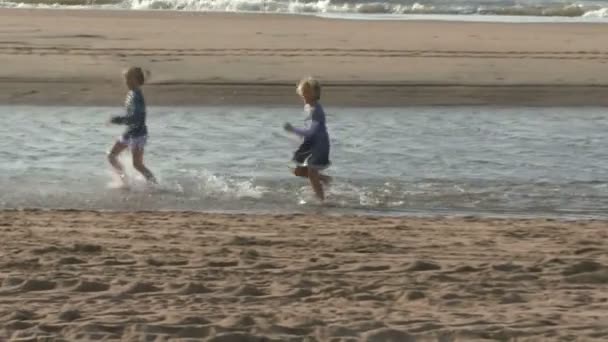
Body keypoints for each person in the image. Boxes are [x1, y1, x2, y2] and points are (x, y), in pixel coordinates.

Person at [284, 76, 331, 201]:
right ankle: (324, 179)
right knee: (297, 171)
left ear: (315, 93)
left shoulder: (316, 110)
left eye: (307, 92)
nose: (304, 95)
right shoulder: (308, 106)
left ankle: (321, 200)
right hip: (309, 143)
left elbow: (312, 131)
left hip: (319, 145)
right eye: (302, 92)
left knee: (311, 172)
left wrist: (294, 130)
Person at [107, 66, 156, 185]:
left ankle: (150, 184)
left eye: (128, 79)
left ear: (135, 80)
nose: (126, 82)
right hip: (134, 132)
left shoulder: (135, 95)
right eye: (126, 79)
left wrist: (117, 120)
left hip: (136, 134)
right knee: (116, 157)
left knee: (133, 163)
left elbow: (135, 117)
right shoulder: (133, 92)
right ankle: (127, 181)